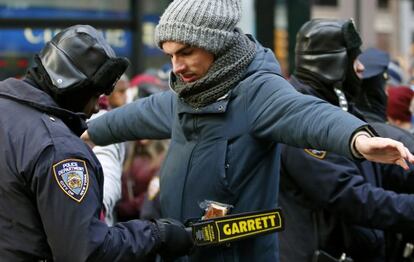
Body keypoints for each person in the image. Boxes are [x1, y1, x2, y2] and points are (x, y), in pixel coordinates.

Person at [83, 1, 414, 261]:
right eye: (170, 56)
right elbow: (136, 115)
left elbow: (307, 114)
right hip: (183, 252)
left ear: (218, 45)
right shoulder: (187, 96)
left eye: (186, 53)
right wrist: (87, 132)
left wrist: (358, 139)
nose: (177, 67)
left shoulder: (257, 92)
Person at [0, 25, 193, 261]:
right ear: (74, 88)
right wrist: (157, 234)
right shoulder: (58, 150)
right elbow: (86, 251)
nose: (96, 108)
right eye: (96, 95)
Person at [279, 18, 414, 262]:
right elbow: (348, 195)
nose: (361, 69)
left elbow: (383, 167)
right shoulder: (302, 118)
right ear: (331, 63)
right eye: (354, 60)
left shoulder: (339, 108)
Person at [92, 74, 130, 225]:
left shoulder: (114, 120)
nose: (126, 97)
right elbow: (107, 171)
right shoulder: (104, 122)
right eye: (121, 91)